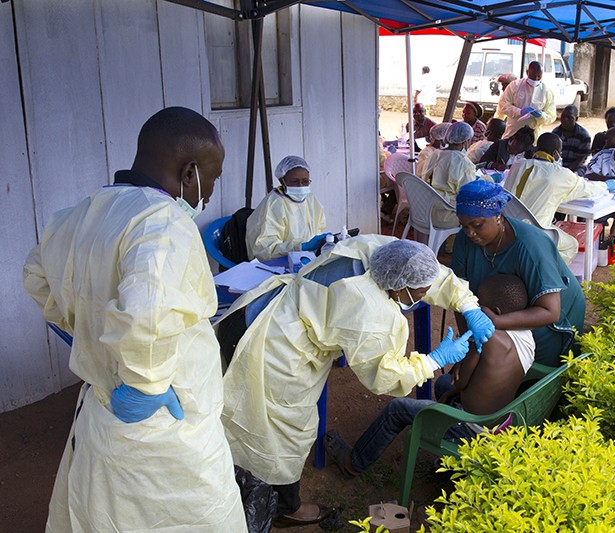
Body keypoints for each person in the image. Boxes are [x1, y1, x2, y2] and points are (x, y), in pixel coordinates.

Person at [22, 107, 247, 531]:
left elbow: (36, 274)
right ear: (190, 172)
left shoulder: (80, 214)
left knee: (103, 512)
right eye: (212, 178)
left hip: (100, 416)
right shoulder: (163, 225)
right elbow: (146, 312)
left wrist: (86, 331)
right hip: (162, 430)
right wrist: (145, 384)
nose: (211, 193)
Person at [220, 236, 495, 527]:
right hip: (272, 347)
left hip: (255, 309)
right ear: (401, 288)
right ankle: (284, 507)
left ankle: (251, 486)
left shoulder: (375, 250)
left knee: (254, 417)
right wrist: (433, 361)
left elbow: (431, 273)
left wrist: (468, 305)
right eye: (422, 292)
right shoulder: (369, 311)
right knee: (281, 430)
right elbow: (383, 375)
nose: (428, 293)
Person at [322, 274, 535, 476]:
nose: (476, 308)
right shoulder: (526, 338)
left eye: (480, 305)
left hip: (471, 428)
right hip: (499, 421)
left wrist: (447, 396)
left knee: (397, 409)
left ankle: (354, 462)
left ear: (495, 310)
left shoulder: (484, 338)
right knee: (443, 381)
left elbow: (461, 384)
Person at [451, 180, 586, 367]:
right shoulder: (463, 241)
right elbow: (459, 295)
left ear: (497, 216)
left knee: (526, 376)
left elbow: (550, 311)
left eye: (477, 225)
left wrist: (496, 322)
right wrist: (470, 341)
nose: (470, 233)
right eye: (464, 225)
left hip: (548, 325)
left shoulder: (530, 246)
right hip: (498, 320)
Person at [504, 133, 606, 264]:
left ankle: (535, 265)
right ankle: (548, 276)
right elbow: (588, 189)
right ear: (556, 153)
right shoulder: (560, 174)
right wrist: (605, 185)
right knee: (571, 245)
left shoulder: (518, 165)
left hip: (506, 227)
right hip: (534, 232)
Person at [246, 156, 329, 261]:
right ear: (282, 180)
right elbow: (264, 250)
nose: (300, 186)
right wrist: (300, 247)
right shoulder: (273, 205)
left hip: (306, 258)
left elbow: (318, 229)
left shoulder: (311, 200)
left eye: (305, 181)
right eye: (294, 181)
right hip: (277, 263)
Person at [498, 61, 556, 141]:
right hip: (513, 132)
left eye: (539, 76)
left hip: (533, 136)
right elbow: (503, 105)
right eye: (532, 75)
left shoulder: (546, 91)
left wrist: (541, 116)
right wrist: (519, 111)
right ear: (527, 72)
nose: (535, 79)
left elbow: (551, 116)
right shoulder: (515, 86)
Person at [552, 105, 592, 174]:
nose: (565, 120)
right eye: (563, 117)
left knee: (579, 174)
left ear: (576, 119)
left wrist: (566, 173)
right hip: (558, 166)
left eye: (569, 117)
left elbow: (580, 159)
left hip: (576, 167)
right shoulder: (556, 133)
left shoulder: (584, 136)